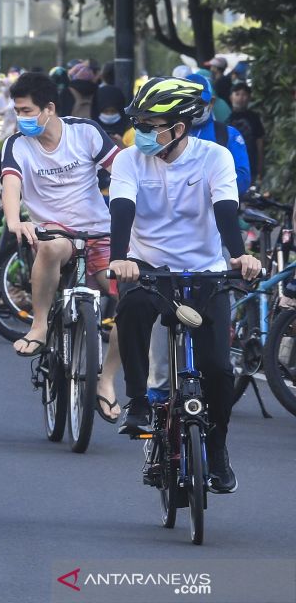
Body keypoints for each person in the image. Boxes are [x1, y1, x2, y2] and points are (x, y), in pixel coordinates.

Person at [109, 77, 262, 494]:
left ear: (179, 128)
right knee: (132, 310)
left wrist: (238, 256)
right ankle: (139, 401)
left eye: (150, 123)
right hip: (148, 270)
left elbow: (226, 209)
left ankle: (217, 449)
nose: (140, 131)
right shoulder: (128, 161)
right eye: (138, 122)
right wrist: (121, 258)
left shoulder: (215, 158)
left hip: (206, 273)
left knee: (217, 370)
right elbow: (122, 208)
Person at [0, 71, 124, 421]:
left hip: (100, 232)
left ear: (49, 108)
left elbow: (123, 171)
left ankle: (107, 381)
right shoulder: (17, 145)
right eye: (18, 111)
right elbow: (11, 186)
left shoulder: (84, 132)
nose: (21, 118)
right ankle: (39, 326)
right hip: (53, 232)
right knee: (52, 248)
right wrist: (15, 220)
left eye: (27, 111)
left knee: (131, 304)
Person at [188, 74, 251, 195]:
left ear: (211, 102)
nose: (193, 108)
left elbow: (243, 179)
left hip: (216, 210)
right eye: (187, 102)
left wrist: (205, 189)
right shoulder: (167, 133)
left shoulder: (228, 134)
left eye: (200, 103)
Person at [227, 82, 265, 183]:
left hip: (250, 164)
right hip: (229, 166)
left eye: (244, 94)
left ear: (249, 98)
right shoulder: (226, 118)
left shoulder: (254, 117)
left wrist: (260, 165)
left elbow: (259, 142)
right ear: (231, 97)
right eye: (237, 94)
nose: (240, 98)